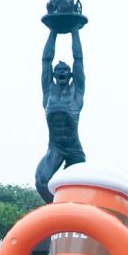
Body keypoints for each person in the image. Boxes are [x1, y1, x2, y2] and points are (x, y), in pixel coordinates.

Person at [35, 28, 87, 203]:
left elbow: (78, 59)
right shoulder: (48, 91)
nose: (62, 72)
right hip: (55, 147)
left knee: (79, 190)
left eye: (66, 70)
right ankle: (57, 210)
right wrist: (53, 31)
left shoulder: (76, 91)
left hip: (74, 150)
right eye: (59, 70)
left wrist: (74, 31)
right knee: (42, 181)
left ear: (71, 74)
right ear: (54, 75)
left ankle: (73, 216)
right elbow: (45, 61)